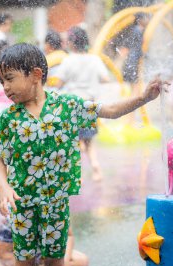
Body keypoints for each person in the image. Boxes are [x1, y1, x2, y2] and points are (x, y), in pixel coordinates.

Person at [0, 43, 167, 266]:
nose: (5, 87)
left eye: (9, 78)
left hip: (57, 204)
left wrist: (143, 98)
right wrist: (3, 187)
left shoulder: (67, 106)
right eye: (1, 80)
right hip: (23, 206)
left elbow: (108, 111)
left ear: (35, 75)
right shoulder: (10, 119)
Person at [56, 27, 110, 181]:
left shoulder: (68, 60)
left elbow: (59, 83)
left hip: (72, 105)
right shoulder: (94, 59)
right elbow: (106, 78)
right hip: (89, 104)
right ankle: (95, 166)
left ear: (72, 43)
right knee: (89, 141)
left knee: (72, 140)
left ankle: (72, 173)